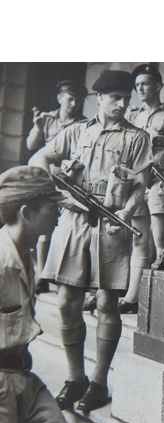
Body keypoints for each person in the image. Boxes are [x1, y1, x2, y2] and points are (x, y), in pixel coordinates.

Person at [28, 70, 153, 412]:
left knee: (107, 304)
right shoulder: (78, 131)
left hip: (111, 223)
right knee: (68, 301)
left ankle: (98, 382)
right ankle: (75, 377)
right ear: (100, 99)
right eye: (115, 98)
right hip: (73, 220)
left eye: (127, 98)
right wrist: (56, 192)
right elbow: (38, 158)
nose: (122, 104)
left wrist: (127, 214)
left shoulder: (136, 138)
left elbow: (141, 185)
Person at [0, 165, 73, 423]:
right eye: (51, 205)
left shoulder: (26, 256)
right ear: (27, 213)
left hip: (23, 378)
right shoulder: (2, 262)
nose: (59, 211)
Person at [118, 64, 164, 313]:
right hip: (139, 186)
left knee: (161, 245)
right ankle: (132, 298)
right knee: (139, 242)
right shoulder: (135, 117)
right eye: (137, 86)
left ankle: (160, 303)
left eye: (145, 84)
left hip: (161, 186)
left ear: (158, 85)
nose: (140, 89)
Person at [26, 80, 88, 295]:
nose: (74, 104)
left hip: (66, 180)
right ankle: (40, 275)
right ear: (60, 99)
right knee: (42, 227)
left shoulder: (82, 124)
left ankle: (49, 273)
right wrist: (36, 126)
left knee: (56, 226)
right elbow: (32, 146)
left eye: (78, 100)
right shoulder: (47, 119)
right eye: (70, 99)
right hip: (44, 178)